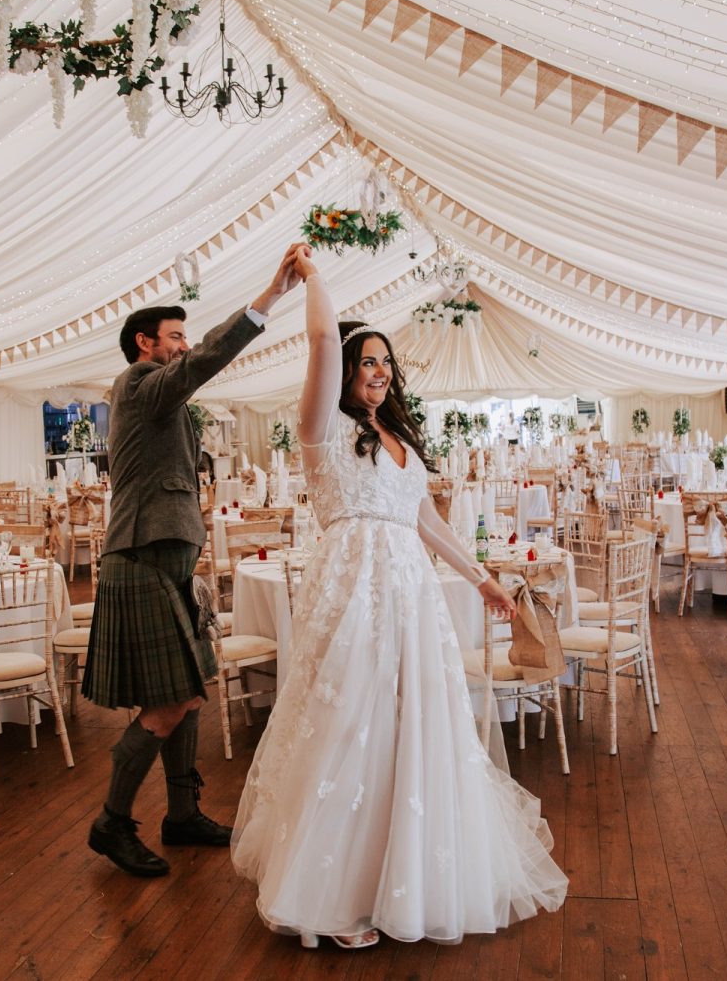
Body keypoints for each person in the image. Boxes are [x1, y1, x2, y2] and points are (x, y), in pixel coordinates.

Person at [230, 246, 568, 947]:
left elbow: (426, 522)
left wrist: (482, 579)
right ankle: (339, 896)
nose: (378, 372)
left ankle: (408, 874)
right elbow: (323, 341)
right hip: (353, 588)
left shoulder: (397, 437)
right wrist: (311, 278)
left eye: (385, 362)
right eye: (366, 362)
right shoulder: (323, 431)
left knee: (413, 720)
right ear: (346, 372)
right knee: (351, 718)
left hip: (410, 591)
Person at [83, 244, 306, 878]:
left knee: (188, 696)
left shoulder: (163, 398)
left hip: (167, 563)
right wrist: (269, 297)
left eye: (184, 336)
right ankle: (111, 823)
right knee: (165, 705)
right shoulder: (138, 384)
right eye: (175, 337)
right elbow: (206, 359)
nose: (184, 346)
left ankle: (181, 815)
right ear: (144, 344)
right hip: (141, 560)